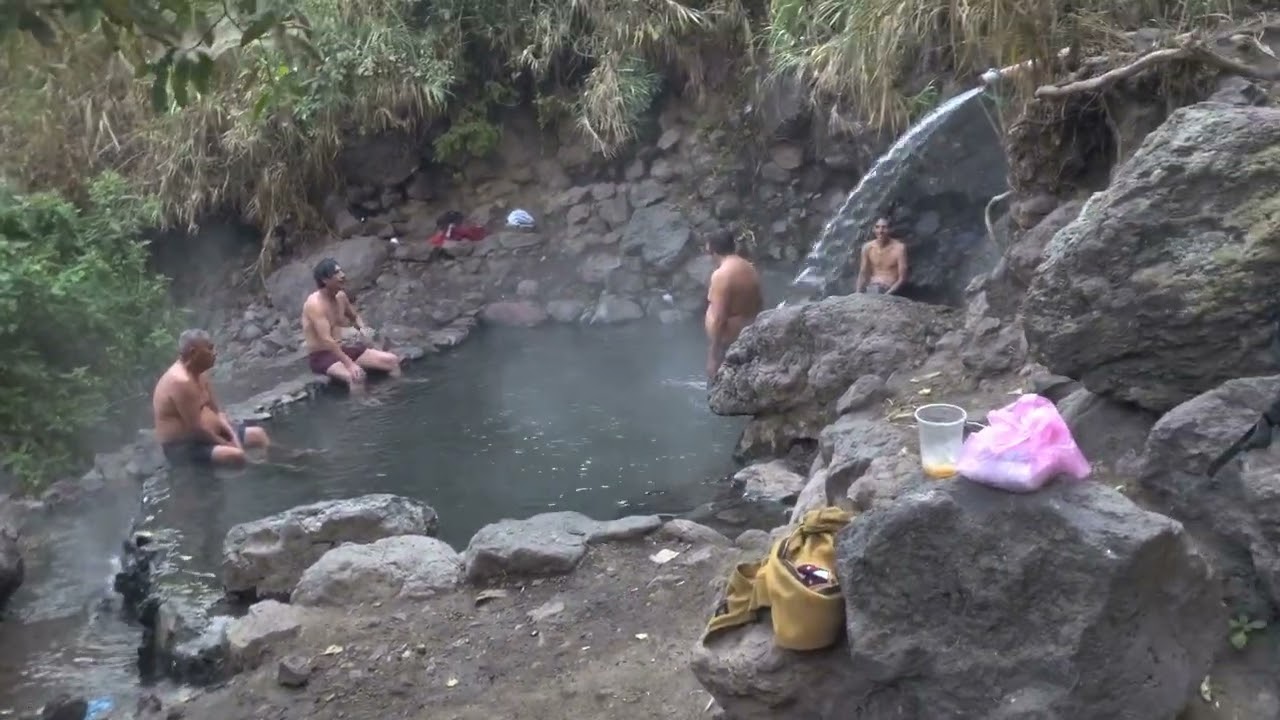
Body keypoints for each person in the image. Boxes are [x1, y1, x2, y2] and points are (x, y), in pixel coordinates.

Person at [152, 329, 269, 466]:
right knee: (235, 456)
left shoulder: (200, 374)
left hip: (210, 433)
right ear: (193, 353)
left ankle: (270, 465)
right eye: (210, 348)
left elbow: (217, 413)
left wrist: (234, 440)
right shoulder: (180, 382)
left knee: (258, 434)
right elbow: (196, 430)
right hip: (184, 446)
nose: (215, 353)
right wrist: (229, 445)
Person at [303, 258, 402, 385]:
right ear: (325, 280)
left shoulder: (341, 296)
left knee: (392, 360)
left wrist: (364, 330)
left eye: (341, 271)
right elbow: (326, 340)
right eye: (336, 273)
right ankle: (359, 398)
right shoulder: (315, 305)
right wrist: (350, 364)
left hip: (342, 348)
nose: (343, 275)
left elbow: (354, 317)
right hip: (322, 355)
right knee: (357, 376)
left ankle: (396, 393)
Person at [704, 229, 764, 380]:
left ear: (712, 249)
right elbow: (759, 303)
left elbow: (719, 319)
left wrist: (713, 356)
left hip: (728, 343)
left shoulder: (722, 275)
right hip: (747, 335)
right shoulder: (748, 267)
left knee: (720, 384)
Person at [854, 217, 908, 295]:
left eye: (884, 227)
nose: (880, 231)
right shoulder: (867, 248)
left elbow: (902, 278)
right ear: (873, 229)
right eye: (877, 227)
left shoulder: (899, 248)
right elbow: (863, 273)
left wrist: (887, 295)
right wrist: (857, 293)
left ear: (890, 230)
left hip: (891, 289)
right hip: (872, 288)